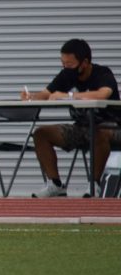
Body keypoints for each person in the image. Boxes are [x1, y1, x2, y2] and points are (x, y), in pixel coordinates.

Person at [21, 38, 121, 198]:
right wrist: (31, 97)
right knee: (41, 134)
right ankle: (55, 184)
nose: (66, 68)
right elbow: (46, 94)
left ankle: (94, 185)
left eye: (70, 64)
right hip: (82, 127)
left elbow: (103, 94)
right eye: (63, 63)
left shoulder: (102, 73)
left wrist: (68, 96)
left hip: (111, 127)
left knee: (99, 132)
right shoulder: (66, 75)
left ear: (84, 63)